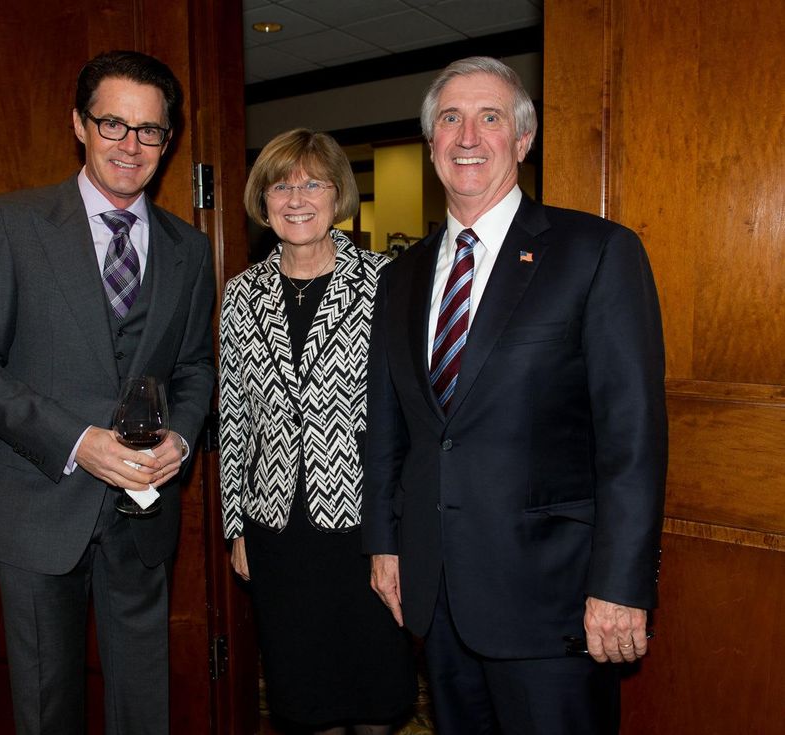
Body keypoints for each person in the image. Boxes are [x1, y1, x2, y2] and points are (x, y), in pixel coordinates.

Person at [362, 57, 667, 734]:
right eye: (450, 118)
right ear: (432, 142)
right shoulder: (401, 275)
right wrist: (386, 544)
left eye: (490, 117)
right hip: (436, 592)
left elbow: (632, 437)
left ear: (523, 141)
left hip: (552, 601)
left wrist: (620, 585)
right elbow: (387, 427)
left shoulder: (595, 252)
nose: (468, 135)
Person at [0, 50, 215, 735]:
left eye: (149, 130)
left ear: (168, 140)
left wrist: (178, 437)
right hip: (37, 506)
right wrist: (78, 441)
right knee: (47, 704)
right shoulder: (10, 222)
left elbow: (196, 367)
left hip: (144, 515)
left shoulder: (189, 247)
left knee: (142, 704)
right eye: (112, 123)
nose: (130, 144)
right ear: (78, 125)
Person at [220, 129, 416, 735]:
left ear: (339, 196)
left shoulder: (389, 283)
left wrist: (406, 529)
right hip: (278, 531)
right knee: (306, 700)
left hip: (367, 529)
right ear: (263, 198)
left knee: (378, 696)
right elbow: (233, 420)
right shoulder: (240, 295)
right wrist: (236, 527)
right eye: (281, 184)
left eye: (312, 183)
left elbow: (413, 415)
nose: (296, 197)